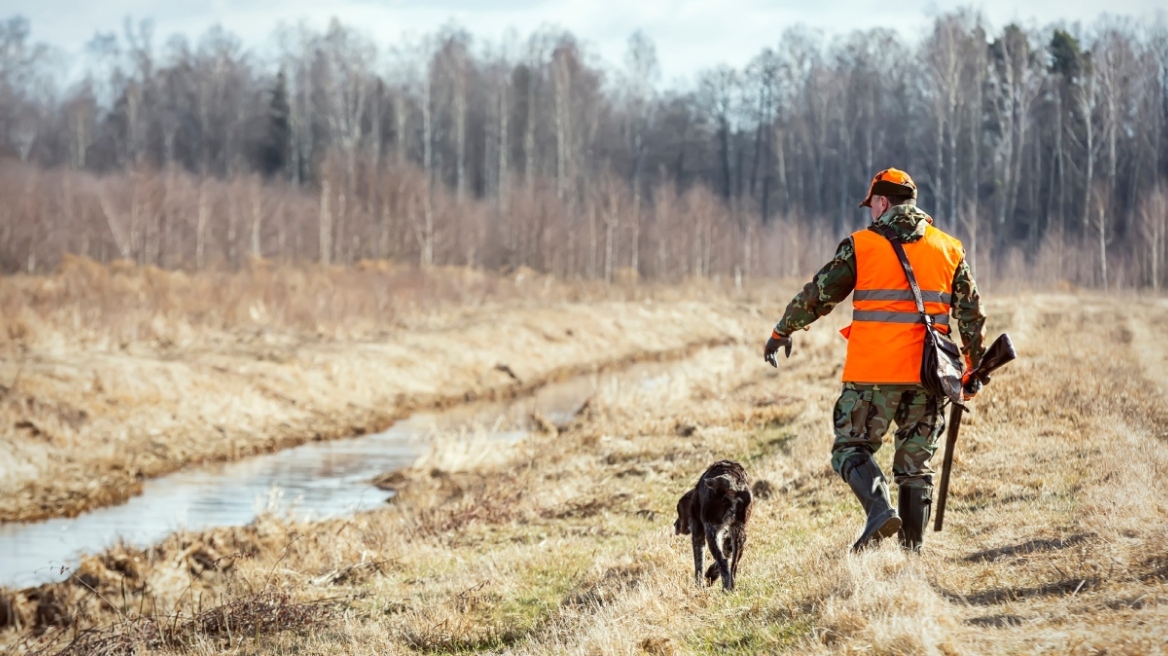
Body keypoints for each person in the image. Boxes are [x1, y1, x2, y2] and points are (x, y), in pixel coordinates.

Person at [763, 168, 986, 553]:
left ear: (882, 202)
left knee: (850, 447)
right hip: (929, 377)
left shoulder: (861, 246)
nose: (870, 212)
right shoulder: (950, 249)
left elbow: (819, 294)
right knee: (915, 466)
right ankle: (911, 558)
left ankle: (880, 510)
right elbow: (971, 316)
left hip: (872, 377)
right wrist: (972, 369)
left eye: (872, 205)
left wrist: (783, 330)